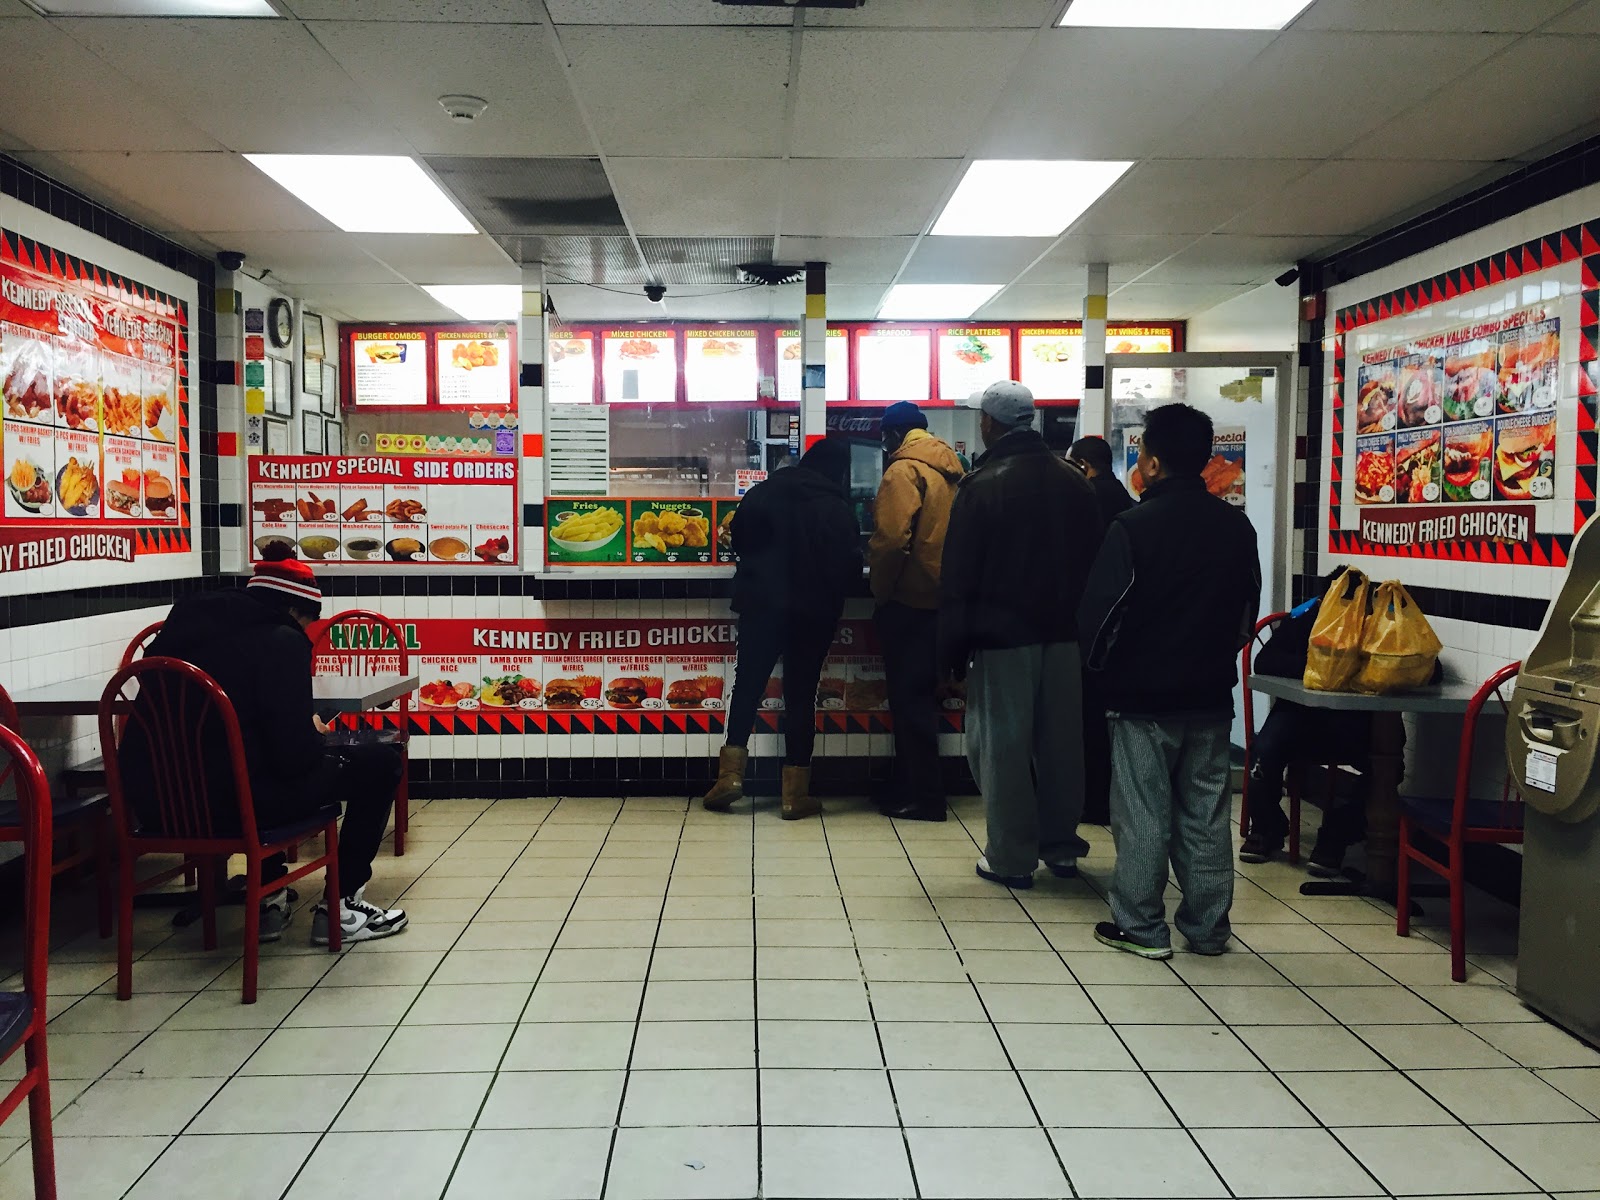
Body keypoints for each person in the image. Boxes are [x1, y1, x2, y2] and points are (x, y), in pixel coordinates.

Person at [119, 545, 407, 945]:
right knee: (379, 761)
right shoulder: (280, 642)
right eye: (306, 623)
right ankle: (340, 908)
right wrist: (316, 736)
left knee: (254, 764)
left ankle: (271, 897)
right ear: (293, 611)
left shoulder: (179, 631)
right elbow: (292, 759)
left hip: (156, 807)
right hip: (239, 808)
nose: (304, 633)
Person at [1078, 402, 1260, 959]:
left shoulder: (1132, 527)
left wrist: (1100, 675)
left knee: (1142, 811)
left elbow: (1099, 619)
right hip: (1209, 696)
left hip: (1141, 696)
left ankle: (1141, 926)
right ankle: (1207, 929)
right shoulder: (1237, 526)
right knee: (1206, 815)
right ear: (1205, 461)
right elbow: (1245, 615)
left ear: (1150, 463)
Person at [940, 380, 1104, 888]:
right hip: (1065, 635)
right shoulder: (1077, 481)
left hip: (1003, 636)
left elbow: (959, 575)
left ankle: (1010, 856)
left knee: (1002, 747)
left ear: (990, 423)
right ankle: (1060, 846)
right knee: (1060, 745)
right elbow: (1096, 564)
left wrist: (951, 652)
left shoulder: (982, 485)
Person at [700, 435, 862, 820]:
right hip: (813, 612)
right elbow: (849, 569)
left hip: (761, 606)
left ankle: (730, 778)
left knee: (748, 685)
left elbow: (737, 539)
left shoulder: (764, 492)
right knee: (801, 694)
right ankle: (794, 794)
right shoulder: (836, 507)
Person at [868, 401, 964, 822]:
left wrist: (881, 591)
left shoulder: (902, 470)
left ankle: (923, 797)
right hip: (945, 600)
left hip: (909, 601)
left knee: (910, 704)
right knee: (925, 700)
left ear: (892, 434)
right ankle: (915, 787)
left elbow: (890, 541)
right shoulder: (953, 470)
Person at [1241, 580, 1373, 875]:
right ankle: (1266, 827)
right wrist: (1325, 667)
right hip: (1298, 716)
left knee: (1388, 767)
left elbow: (1429, 669)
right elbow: (1265, 661)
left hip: (1352, 721)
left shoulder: (1374, 622)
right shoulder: (1307, 617)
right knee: (1263, 750)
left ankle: (1337, 833)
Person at [1066, 435, 1133, 827]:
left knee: (1087, 720)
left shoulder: (1084, 501)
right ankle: (1110, 797)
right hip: (1121, 628)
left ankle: (1093, 801)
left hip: (1088, 625)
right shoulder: (1127, 503)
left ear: (1085, 465)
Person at [1068, 435, 1135, 523]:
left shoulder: (1085, 497)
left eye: (1069, 464)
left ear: (1082, 465)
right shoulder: (1121, 492)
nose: (1068, 471)